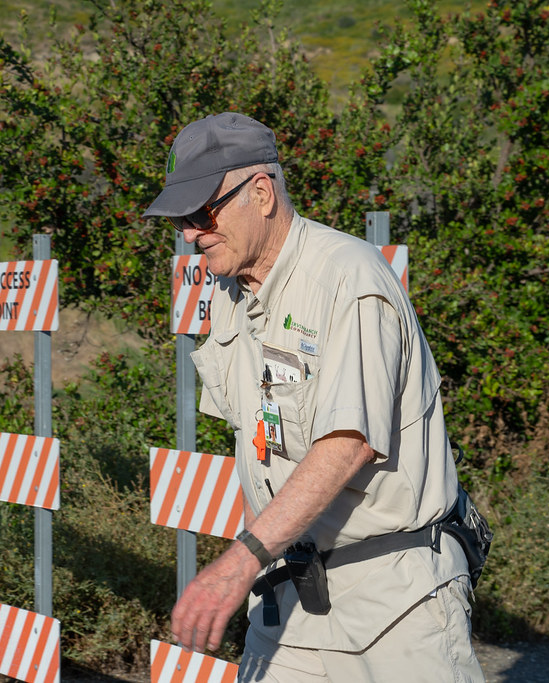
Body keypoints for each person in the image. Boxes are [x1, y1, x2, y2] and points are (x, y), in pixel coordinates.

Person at [143, 112, 484, 682]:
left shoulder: (349, 278)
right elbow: (261, 444)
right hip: (288, 604)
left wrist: (240, 560)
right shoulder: (228, 291)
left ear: (261, 193)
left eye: (202, 212)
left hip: (392, 608)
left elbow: (347, 444)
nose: (190, 234)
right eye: (180, 219)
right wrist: (258, 565)